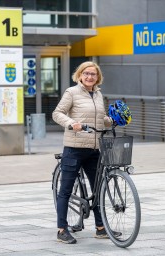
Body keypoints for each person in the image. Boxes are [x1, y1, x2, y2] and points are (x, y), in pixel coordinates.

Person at [52, 61, 121, 244]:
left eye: (93, 74)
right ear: (80, 75)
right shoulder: (71, 92)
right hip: (74, 148)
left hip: (95, 149)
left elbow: (100, 118)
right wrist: (70, 123)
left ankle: (100, 228)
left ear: (98, 77)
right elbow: (57, 113)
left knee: (98, 189)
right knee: (65, 190)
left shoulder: (98, 94)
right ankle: (61, 230)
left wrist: (113, 120)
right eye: (86, 73)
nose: (90, 77)